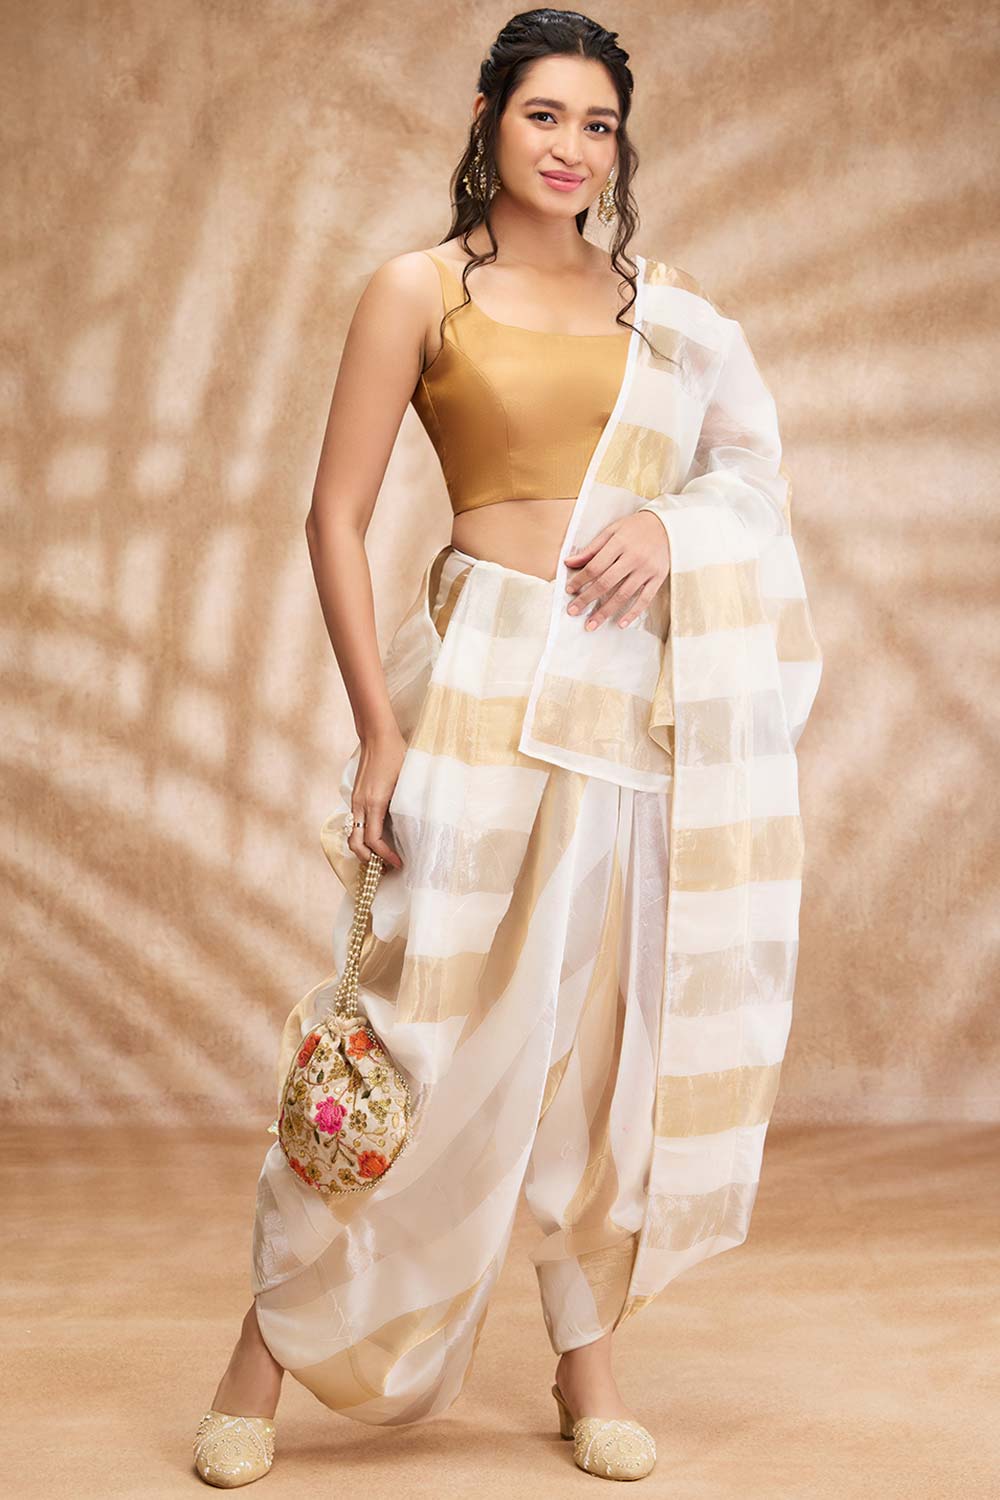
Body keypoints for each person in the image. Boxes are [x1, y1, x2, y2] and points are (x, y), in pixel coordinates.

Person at [192, 8, 822, 1488]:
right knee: (414, 1019)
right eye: (546, 115)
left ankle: (583, 1366)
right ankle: (258, 1360)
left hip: (625, 702)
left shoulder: (665, 312)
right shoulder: (419, 290)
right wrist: (377, 729)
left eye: (599, 125)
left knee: (595, 1041)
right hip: (476, 684)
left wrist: (669, 525)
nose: (573, 148)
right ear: (487, 118)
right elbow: (334, 515)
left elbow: (752, 479)